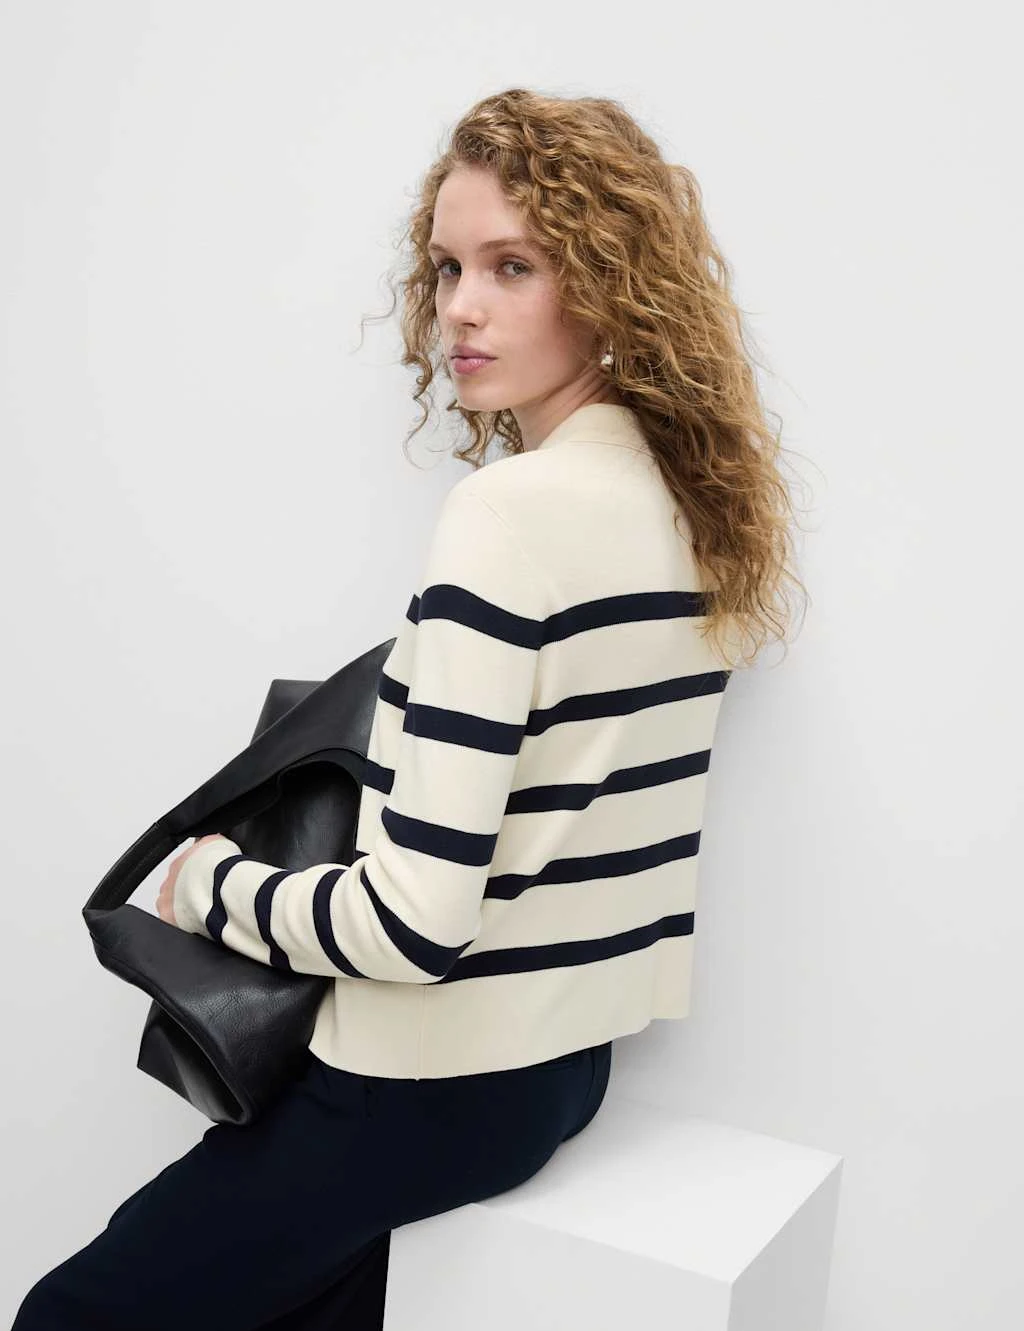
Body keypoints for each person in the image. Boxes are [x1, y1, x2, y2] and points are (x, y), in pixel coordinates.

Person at [13, 86, 805, 1331]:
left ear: (608, 282)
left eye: (513, 265)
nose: (461, 308)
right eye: (446, 267)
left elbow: (414, 923)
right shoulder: (688, 507)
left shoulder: (508, 516)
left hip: (417, 1081)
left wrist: (210, 887)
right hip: (562, 1075)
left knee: (69, 1317)